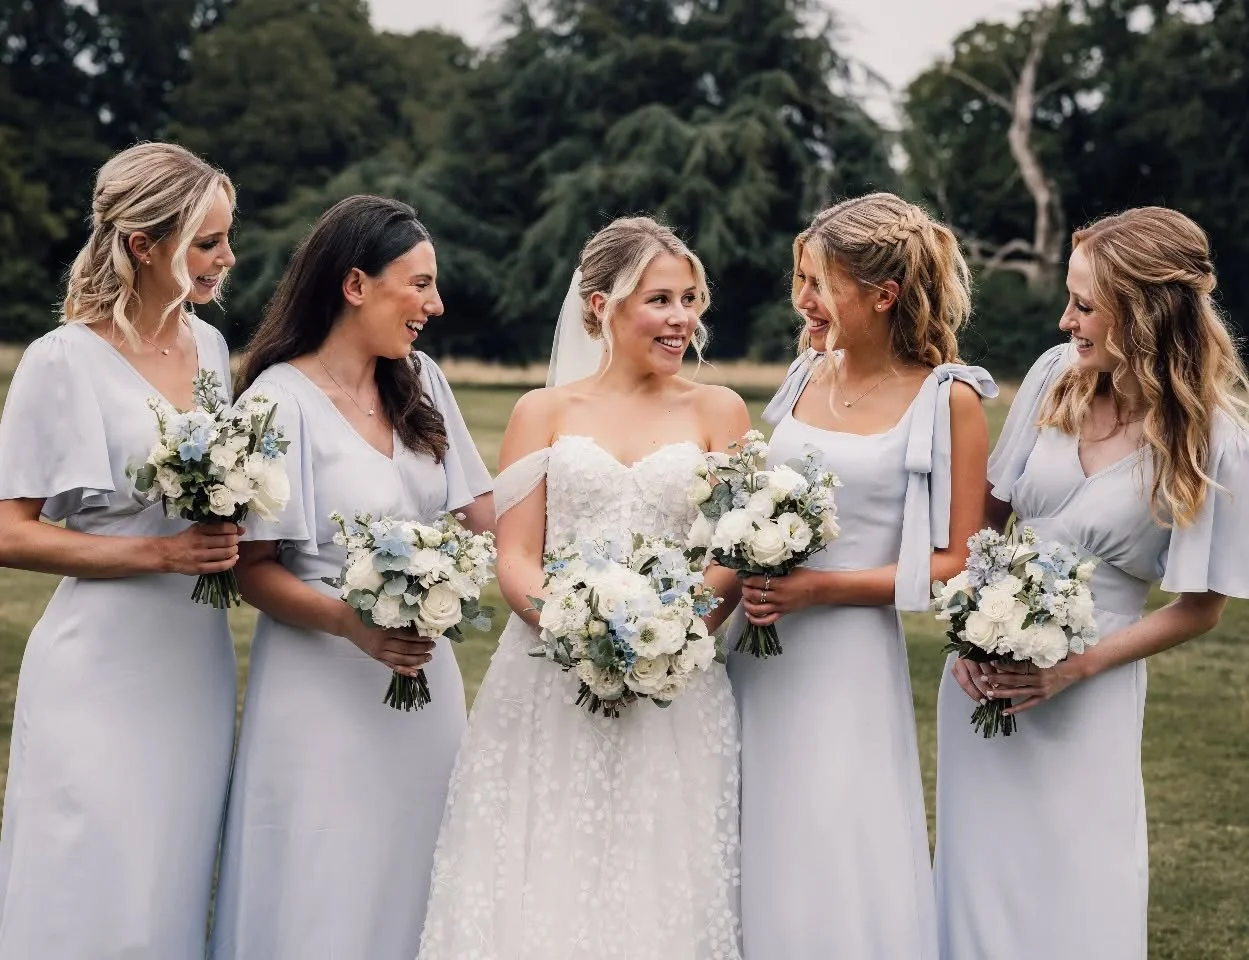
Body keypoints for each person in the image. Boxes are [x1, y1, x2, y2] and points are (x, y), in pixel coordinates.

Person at [418, 216, 749, 959]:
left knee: (664, 868)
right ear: (600, 305)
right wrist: (577, 632)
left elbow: (734, 548)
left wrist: (670, 634)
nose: (681, 319)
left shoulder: (718, 409)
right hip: (548, 675)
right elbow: (516, 555)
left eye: (689, 299)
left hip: (678, 681)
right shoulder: (544, 411)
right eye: (658, 299)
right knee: (543, 860)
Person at [935, 207, 1249, 960]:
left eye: (1082, 304)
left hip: (1088, 693)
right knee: (977, 880)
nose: (1063, 317)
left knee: (1078, 881)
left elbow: (1199, 609)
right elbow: (985, 519)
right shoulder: (1054, 375)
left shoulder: (1214, 438)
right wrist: (971, 633)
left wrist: (1068, 669)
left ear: (1140, 312)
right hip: (980, 677)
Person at [208, 196, 493, 960]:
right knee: (327, 878)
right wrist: (350, 624)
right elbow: (250, 569)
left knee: (424, 870)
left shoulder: (421, 380)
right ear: (355, 284)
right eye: (420, 284)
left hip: (423, 686)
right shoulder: (277, 401)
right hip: (319, 689)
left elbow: (482, 515)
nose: (435, 304)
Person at [732, 192, 995, 959]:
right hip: (756, 650)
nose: (803, 301)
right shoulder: (805, 373)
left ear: (881, 295)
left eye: (818, 283)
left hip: (846, 658)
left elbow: (956, 558)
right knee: (753, 820)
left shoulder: (947, 398)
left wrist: (817, 588)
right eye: (801, 280)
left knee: (831, 832)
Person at [0, 142, 240, 958]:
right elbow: (9, 531)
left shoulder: (211, 351)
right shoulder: (61, 360)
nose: (225, 259)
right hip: (99, 667)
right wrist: (162, 556)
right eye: (205, 243)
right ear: (144, 244)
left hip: (193, 664)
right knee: (89, 873)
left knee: (166, 879)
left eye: (225, 238)